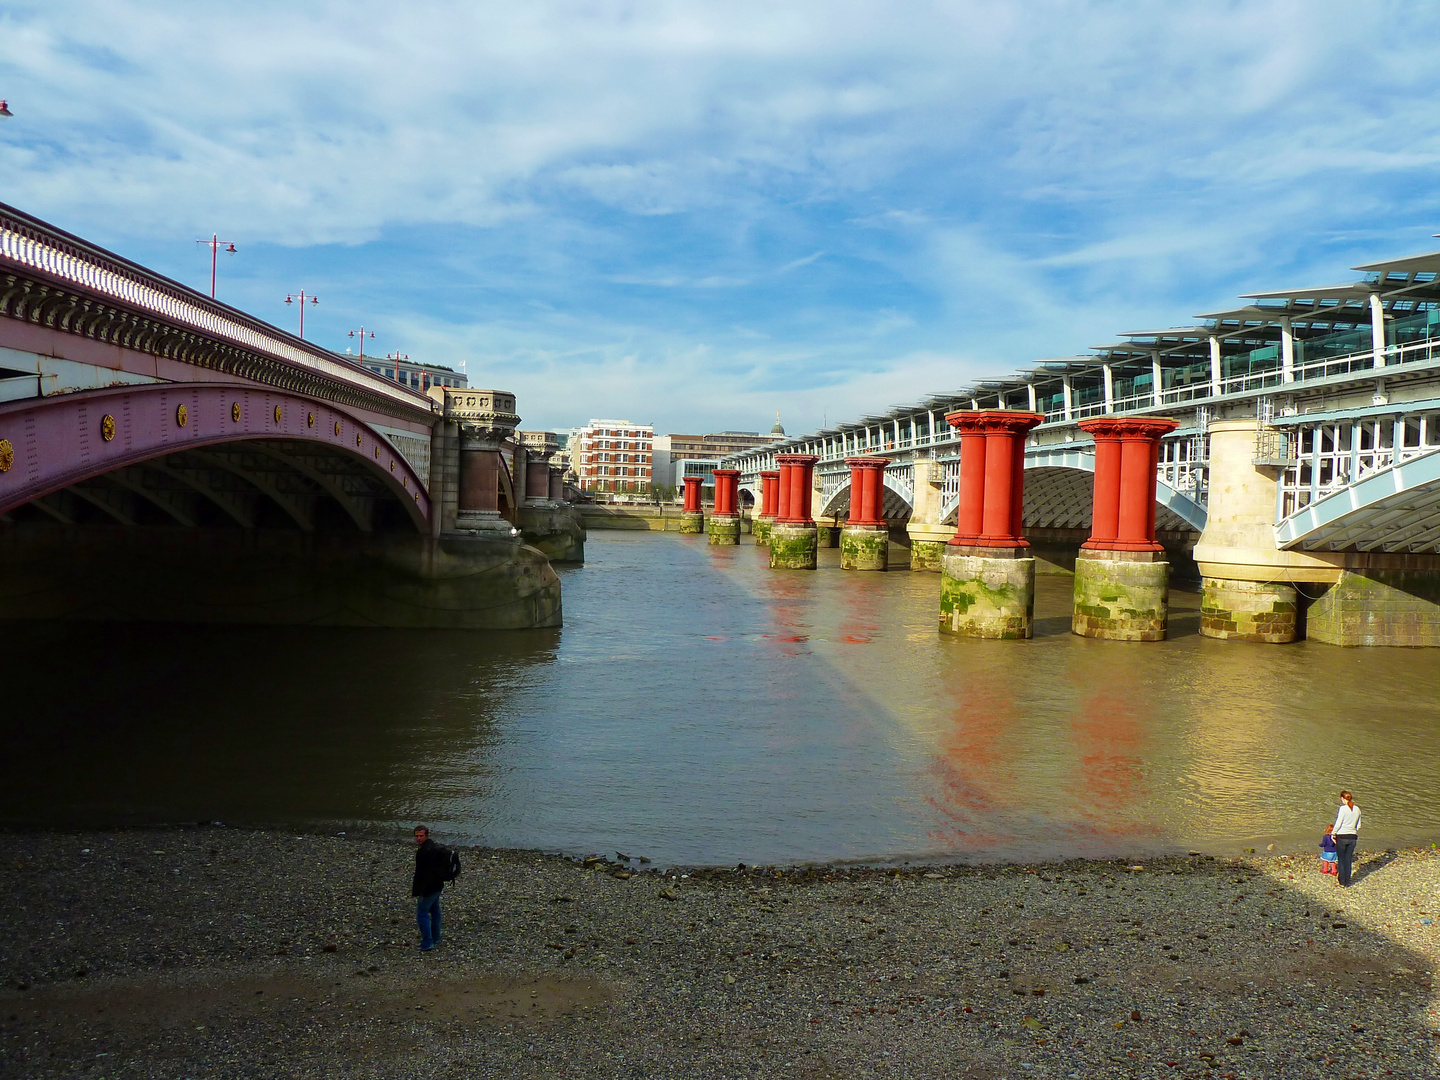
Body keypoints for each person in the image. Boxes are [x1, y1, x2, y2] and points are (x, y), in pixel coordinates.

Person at [412, 825, 451, 951]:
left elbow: (422, 874)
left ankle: (427, 942)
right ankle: (436, 937)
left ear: (426, 836)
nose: (418, 838)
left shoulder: (424, 852)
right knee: (435, 911)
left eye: (421, 836)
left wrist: (420, 890)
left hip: (429, 888)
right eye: (417, 836)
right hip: (438, 885)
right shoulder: (434, 848)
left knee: (422, 914)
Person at [1331, 790, 1362, 887]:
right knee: (1348, 859)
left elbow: (1338, 823)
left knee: (1341, 859)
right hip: (1352, 836)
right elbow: (1359, 825)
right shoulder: (1357, 809)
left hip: (1342, 836)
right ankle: (1347, 881)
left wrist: (1333, 833)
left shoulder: (1343, 809)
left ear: (1343, 798)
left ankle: (1342, 881)